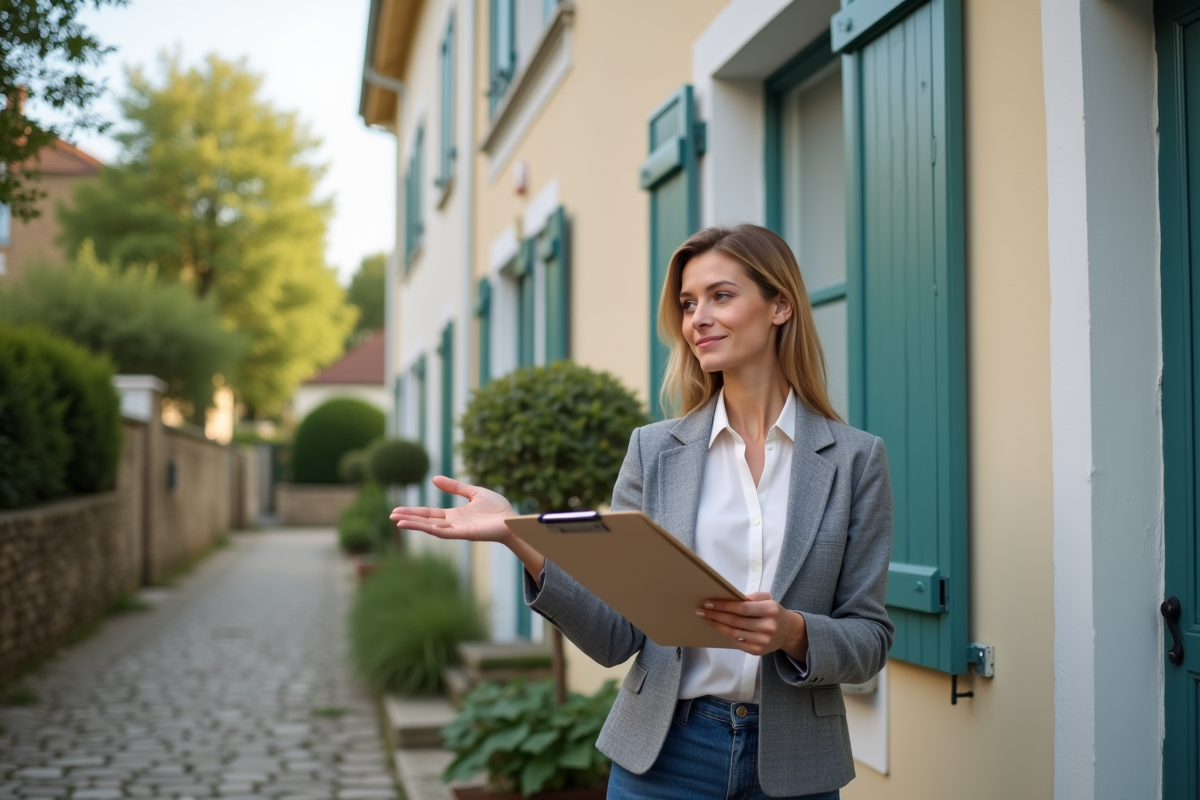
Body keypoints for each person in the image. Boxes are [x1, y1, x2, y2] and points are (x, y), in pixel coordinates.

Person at [391, 224, 893, 800]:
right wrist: (517, 536)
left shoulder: (855, 459)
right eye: (687, 304)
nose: (697, 318)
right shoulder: (654, 452)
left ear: (780, 305)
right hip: (665, 755)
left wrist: (794, 632)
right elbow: (615, 634)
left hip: (795, 766)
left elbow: (869, 639)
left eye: (720, 296)